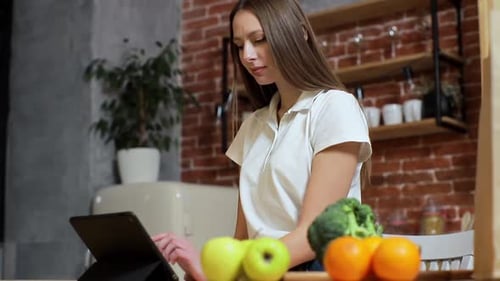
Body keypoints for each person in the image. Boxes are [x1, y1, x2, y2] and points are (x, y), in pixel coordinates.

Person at [152, 0, 372, 280]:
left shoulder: (334, 108)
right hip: (262, 271)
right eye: (239, 44)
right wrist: (208, 271)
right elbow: (242, 239)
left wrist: (229, 272)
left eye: (259, 39)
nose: (247, 55)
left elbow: (313, 235)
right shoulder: (253, 127)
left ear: (300, 34)